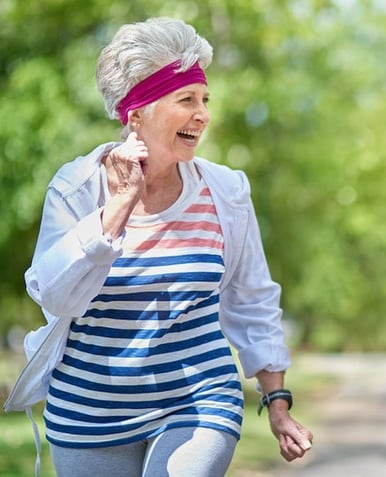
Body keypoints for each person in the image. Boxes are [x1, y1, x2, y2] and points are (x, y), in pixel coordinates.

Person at [18, 17, 313, 476]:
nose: (204, 114)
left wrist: (276, 400)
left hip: (198, 399)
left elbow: (251, 297)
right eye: (187, 100)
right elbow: (55, 297)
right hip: (89, 410)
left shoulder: (226, 192)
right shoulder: (76, 188)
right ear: (137, 114)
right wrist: (117, 206)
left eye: (205, 100)